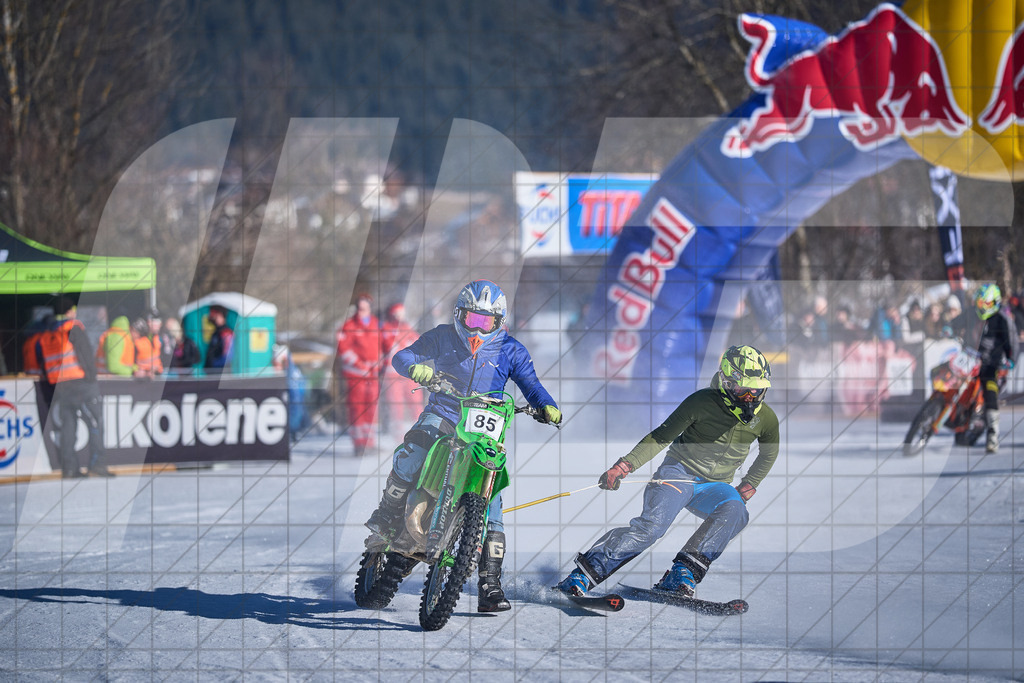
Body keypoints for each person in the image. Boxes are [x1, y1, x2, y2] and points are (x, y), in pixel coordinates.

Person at [364, 279, 562, 613]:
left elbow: (532, 386)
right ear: (459, 315)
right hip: (443, 414)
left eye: (486, 322)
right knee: (413, 453)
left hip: (484, 430)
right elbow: (402, 356)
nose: (477, 329)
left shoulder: (511, 350)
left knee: (492, 499)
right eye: (472, 319)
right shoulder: (442, 336)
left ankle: (490, 585)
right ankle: (386, 514)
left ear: (499, 322)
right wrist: (416, 367)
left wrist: (547, 406)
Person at [555, 344, 778, 599]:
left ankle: (681, 574)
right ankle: (583, 575)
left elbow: (768, 453)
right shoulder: (701, 402)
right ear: (727, 383)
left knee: (737, 510)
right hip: (678, 474)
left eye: (756, 390)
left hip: (715, 486)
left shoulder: (766, 418)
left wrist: (750, 484)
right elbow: (661, 436)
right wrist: (624, 466)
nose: (749, 397)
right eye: (742, 389)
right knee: (651, 529)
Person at [36, 296, 113, 478]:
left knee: (68, 426)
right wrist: (91, 376)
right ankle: (97, 464)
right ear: (70, 311)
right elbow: (85, 354)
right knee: (95, 421)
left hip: (60, 386)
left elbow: (42, 361)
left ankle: (70, 468)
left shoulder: (47, 334)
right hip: (81, 383)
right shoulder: (73, 328)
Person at [951, 284, 1018, 453]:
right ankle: (943, 411)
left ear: (994, 303)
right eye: (980, 303)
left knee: (990, 391)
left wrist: (1011, 360)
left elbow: (1012, 343)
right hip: (970, 358)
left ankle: (992, 434)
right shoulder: (971, 312)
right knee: (952, 378)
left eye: (986, 304)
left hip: (991, 364)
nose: (982, 307)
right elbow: (955, 323)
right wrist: (948, 328)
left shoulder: (1002, 319)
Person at [336, 295, 384, 454]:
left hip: (372, 375)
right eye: (360, 308)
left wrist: (380, 361)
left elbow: (381, 346)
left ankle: (370, 443)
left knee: (372, 409)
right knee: (357, 409)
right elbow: (343, 349)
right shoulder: (349, 326)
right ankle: (359, 444)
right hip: (355, 375)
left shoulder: (375, 324)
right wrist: (360, 365)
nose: (362, 311)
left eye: (365, 308)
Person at [380, 302, 422, 437]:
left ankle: (421, 431)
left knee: (415, 403)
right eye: (397, 313)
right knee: (396, 407)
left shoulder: (408, 329)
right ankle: (397, 435)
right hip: (392, 375)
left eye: (402, 313)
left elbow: (419, 344)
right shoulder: (385, 329)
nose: (400, 316)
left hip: (409, 374)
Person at [203, 305, 234, 376]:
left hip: (221, 373)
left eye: (215, 315)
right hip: (212, 372)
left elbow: (227, 357)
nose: (213, 317)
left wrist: (213, 364)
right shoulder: (216, 333)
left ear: (221, 315)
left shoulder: (226, 333)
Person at [133, 312, 163, 377]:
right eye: (153, 321)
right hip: (140, 377)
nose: (157, 325)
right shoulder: (137, 339)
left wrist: (156, 369)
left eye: (158, 321)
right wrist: (138, 370)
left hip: (156, 375)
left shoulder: (157, 338)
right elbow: (131, 361)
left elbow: (160, 359)